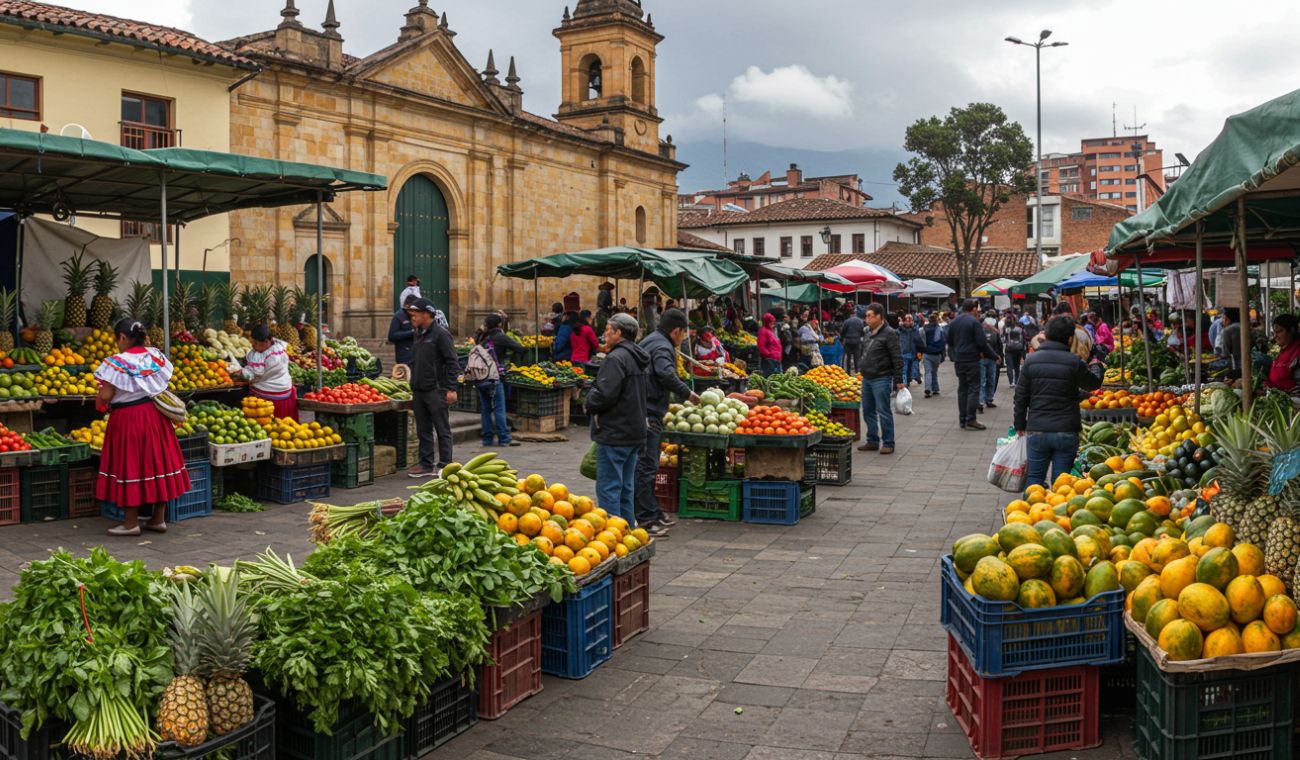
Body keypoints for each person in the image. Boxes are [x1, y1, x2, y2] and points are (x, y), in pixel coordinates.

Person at [95, 319, 191, 536]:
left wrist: (99, 401)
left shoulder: (116, 362)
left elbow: (106, 396)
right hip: (155, 417)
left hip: (128, 419)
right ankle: (158, 519)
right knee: (157, 463)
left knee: (130, 464)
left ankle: (130, 523)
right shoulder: (155, 355)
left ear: (122, 337)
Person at [1014, 315, 1103, 487]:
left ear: (1046, 335)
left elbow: (1020, 396)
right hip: (1066, 430)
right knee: (1061, 485)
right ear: (1070, 339)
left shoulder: (1031, 361)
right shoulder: (1074, 362)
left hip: (1037, 429)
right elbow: (1093, 384)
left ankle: (1031, 511)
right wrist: (1096, 363)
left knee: (1034, 481)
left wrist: (1019, 424)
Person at [637, 309, 698, 535]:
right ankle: (645, 519)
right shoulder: (663, 346)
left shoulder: (651, 340)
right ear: (676, 331)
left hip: (643, 407)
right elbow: (665, 373)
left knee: (646, 465)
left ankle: (652, 512)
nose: (683, 339)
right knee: (647, 466)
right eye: (683, 334)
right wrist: (688, 394)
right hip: (648, 410)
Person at [585, 313, 650, 526]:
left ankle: (612, 535)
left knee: (609, 488)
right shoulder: (637, 357)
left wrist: (589, 399)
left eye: (608, 329)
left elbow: (604, 395)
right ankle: (628, 532)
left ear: (618, 332)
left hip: (615, 432)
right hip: (634, 431)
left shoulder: (616, 359)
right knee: (625, 487)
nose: (605, 333)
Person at [406, 298, 459, 478]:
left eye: (416, 313)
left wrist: (451, 388)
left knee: (442, 429)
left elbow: (453, 362)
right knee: (423, 429)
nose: (412, 316)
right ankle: (426, 464)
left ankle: (445, 464)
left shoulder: (441, 334)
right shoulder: (418, 334)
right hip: (419, 389)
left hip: (436, 390)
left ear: (427, 314)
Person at [856, 303, 903, 454]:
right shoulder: (868, 332)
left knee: (883, 410)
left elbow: (897, 357)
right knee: (868, 410)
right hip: (867, 378)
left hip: (881, 377)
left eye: (870, 316)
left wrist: (899, 380)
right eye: (866, 316)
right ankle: (872, 440)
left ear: (879, 317)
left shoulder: (889, 333)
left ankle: (888, 442)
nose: (867, 319)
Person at [474, 314, 522, 447]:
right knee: (499, 408)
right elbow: (519, 348)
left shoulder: (482, 337)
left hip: (480, 378)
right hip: (494, 378)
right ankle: (504, 438)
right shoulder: (500, 337)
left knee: (486, 409)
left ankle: (487, 439)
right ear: (499, 325)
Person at [947, 298, 995, 431]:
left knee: (962, 389)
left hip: (959, 360)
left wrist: (954, 355)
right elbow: (982, 343)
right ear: (973, 308)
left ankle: (962, 419)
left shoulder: (954, 321)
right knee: (974, 388)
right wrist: (994, 355)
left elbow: (949, 341)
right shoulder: (974, 322)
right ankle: (971, 419)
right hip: (972, 360)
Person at [235, 324, 298, 421]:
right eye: (253, 342)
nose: (253, 346)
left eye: (256, 343)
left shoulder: (266, 357)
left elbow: (251, 375)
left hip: (269, 397)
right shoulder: (279, 347)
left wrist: (239, 373)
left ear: (267, 342)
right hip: (285, 389)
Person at [1266, 314, 1300, 393]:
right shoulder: (1283, 351)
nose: (1275, 336)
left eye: (1279, 332)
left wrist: (1275, 391)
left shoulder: (1297, 353)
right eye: (1274, 333)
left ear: (1292, 330)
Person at [980, 317, 1003, 411]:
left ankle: (988, 399)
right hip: (982, 359)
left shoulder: (995, 333)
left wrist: (999, 357)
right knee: (982, 381)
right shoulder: (979, 332)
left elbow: (999, 346)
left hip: (992, 359)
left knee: (991, 380)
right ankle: (981, 401)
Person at [921, 312, 946, 398]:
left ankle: (928, 389)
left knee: (928, 372)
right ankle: (935, 389)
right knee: (934, 372)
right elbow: (943, 342)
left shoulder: (924, 329)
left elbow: (921, 341)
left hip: (927, 353)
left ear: (929, 320)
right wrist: (943, 354)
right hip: (936, 354)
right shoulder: (940, 329)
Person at [387, 294, 418, 365]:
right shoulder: (398, 316)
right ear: (406, 305)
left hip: (417, 355)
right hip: (404, 357)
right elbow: (391, 336)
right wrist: (411, 333)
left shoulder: (416, 316)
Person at [897, 313, 923, 386]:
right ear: (904, 321)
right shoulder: (900, 330)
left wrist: (920, 350)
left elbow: (918, 341)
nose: (908, 321)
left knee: (910, 369)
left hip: (912, 353)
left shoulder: (915, 330)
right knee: (905, 370)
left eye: (910, 320)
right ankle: (905, 384)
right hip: (904, 353)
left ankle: (909, 381)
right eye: (907, 320)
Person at [1002, 315, 1026, 387]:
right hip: (1018, 350)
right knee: (1016, 366)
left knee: (1009, 366)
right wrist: (1023, 354)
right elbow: (1023, 341)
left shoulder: (1005, 329)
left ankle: (1011, 382)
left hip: (1008, 349)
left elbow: (1003, 339)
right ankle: (1016, 381)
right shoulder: (1020, 329)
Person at [840, 307, 865, 373]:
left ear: (850, 314)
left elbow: (842, 332)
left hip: (848, 342)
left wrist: (842, 339)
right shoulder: (861, 321)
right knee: (857, 358)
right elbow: (863, 332)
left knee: (848, 358)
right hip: (857, 341)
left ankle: (848, 373)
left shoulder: (847, 321)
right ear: (856, 314)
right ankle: (857, 372)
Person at [1218, 307, 1242, 373]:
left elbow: (1225, 353)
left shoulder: (1228, 330)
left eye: (1223, 318)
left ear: (1227, 319)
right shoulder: (1245, 326)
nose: (1222, 320)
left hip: (1237, 364)